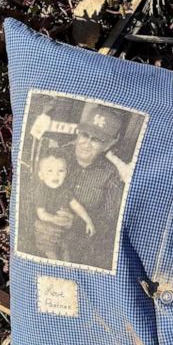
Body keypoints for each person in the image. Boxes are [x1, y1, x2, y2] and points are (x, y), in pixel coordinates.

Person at [46, 103, 127, 269]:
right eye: (84, 134)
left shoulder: (111, 174)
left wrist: (76, 223)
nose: (86, 143)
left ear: (109, 144)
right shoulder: (57, 157)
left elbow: (109, 220)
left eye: (96, 139)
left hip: (79, 246)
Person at [31, 151, 95, 261]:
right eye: (50, 171)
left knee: (66, 248)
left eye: (60, 171)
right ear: (41, 175)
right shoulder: (41, 190)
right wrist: (55, 219)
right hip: (46, 229)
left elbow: (76, 206)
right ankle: (56, 265)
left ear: (66, 173)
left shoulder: (64, 190)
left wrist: (88, 221)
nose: (55, 175)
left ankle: (67, 266)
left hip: (62, 229)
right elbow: (41, 214)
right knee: (51, 252)